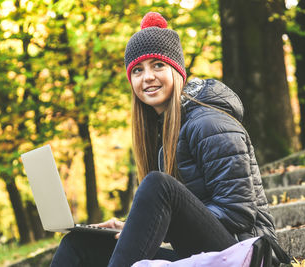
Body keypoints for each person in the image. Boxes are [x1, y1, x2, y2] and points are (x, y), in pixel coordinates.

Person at [50, 12, 279, 267]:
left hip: (247, 254)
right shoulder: (165, 132)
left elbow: (239, 213)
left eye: (157, 65)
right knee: (79, 245)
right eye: (137, 70)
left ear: (177, 70)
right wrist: (131, 226)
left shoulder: (209, 123)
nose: (147, 76)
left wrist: (157, 221)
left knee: (159, 185)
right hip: (204, 254)